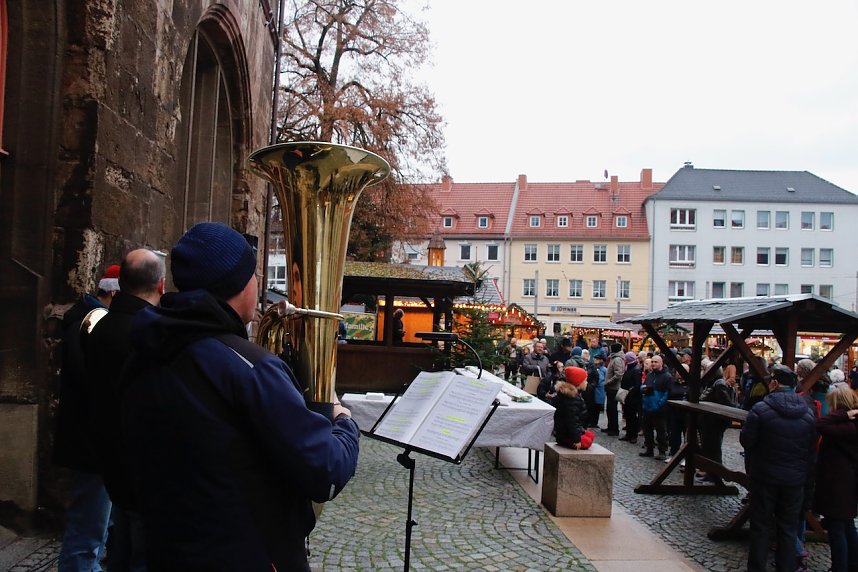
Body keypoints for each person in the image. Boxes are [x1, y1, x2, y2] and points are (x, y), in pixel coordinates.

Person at [121, 222, 360, 571]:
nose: (258, 283)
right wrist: (344, 422)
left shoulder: (142, 354)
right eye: (253, 274)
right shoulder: (251, 369)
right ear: (239, 284)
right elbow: (325, 470)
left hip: (169, 551)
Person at [85, 249, 166, 571]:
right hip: (144, 467)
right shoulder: (151, 334)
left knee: (121, 547)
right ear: (161, 285)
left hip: (109, 459)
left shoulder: (100, 327)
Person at [54, 263, 120, 572]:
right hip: (91, 444)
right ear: (112, 292)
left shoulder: (93, 319)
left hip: (91, 442)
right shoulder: (93, 322)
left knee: (96, 529)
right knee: (87, 534)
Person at [741, 364, 817, 572]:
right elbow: (811, 453)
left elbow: (747, 441)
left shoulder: (760, 409)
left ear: (774, 383)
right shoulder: (808, 414)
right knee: (788, 528)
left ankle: (757, 568)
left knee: (761, 526)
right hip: (794, 481)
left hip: (765, 477)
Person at [812, 384, 858, 572]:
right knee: (847, 525)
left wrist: (843, 414)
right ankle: (853, 564)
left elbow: (820, 424)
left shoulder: (846, 426)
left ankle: (840, 567)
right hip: (848, 481)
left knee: (837, 527)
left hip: (838, 482)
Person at [554, 366, 594, 450]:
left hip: (567, 431)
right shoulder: (571, 399)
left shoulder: (573, 395)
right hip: (566, 433)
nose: (587, 383)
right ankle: (567, 441)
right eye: (585, 380)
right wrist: (576, 439)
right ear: (578, 383)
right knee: (587, 441)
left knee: (590, 435)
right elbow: (572, 421)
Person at [640, 354, 671, 460]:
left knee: (661, 431)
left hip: (658, 409)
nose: (653, 364)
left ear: (661, 363)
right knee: (647, 430)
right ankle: (649, 449)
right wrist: (643, 389)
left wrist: (659, 404)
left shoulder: (667, 376)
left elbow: (667, 393)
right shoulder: (650, 375)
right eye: (652, 362)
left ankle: (662, 451)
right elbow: (643, 385)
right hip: (647, 406)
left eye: (655, 362)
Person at [619, 351, 642, 443]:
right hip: (627, 396)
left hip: (633, 398)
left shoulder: (635, 370)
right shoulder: (629, 368)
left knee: (632, 417)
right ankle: (629, 434)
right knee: (628, 416)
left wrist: (629, 392)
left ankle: (633, 435)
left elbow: (637, 385)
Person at [603, 343, 625, 436]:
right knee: (609, 409)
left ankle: (614, 429)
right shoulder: (614, 358)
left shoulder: (617, 359)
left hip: (613, 388)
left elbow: (619, 374)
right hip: (610, 387)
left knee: (612, 409)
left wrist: (608, 382)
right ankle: (610, 427)